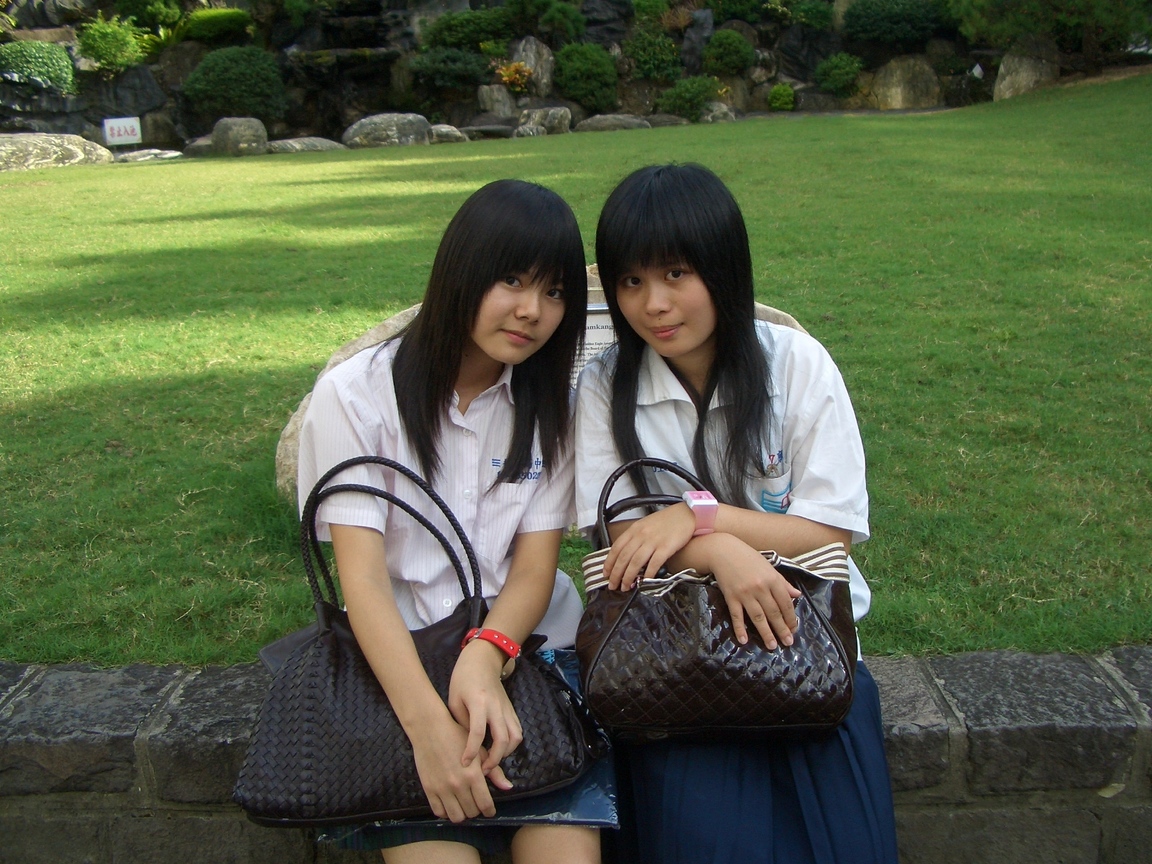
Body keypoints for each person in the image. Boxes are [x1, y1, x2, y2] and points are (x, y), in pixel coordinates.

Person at [575, 164, 898, 864]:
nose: (654, 304)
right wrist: (720, 550)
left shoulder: (797, 364)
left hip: (804, 646)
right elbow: (624, 542)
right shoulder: (604, 386)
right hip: (669, 660)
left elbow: (829, 533)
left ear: (723, 267)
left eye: (676, 274)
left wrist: (697, 518)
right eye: (631, 281)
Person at [297, 179, 600, 864]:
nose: (531, 311)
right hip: (399, 670)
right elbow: (362, 583)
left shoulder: (550, 406)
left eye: (554, 291)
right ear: (460, 270)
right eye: (512, 280)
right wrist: (429, 729)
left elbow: (535, 569)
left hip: (531, 657)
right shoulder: (355, 397)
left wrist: (487, 655)